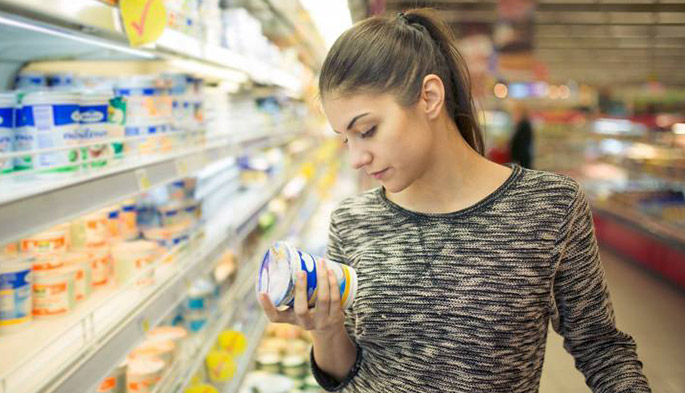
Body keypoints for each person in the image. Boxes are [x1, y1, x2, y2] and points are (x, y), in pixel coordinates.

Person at [257, 8, 650, 393]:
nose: (357, 157)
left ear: (429, 97)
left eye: (368, 129)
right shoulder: (353, 219)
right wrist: (325, 329)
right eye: (346, 139)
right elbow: (345, 374)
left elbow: (602, 349)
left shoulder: (549, 207)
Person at [510, 104, 534, 169]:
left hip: (522, 158)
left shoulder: (523, 125)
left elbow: (519, 143)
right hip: (522, 157)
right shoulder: (522, 125)